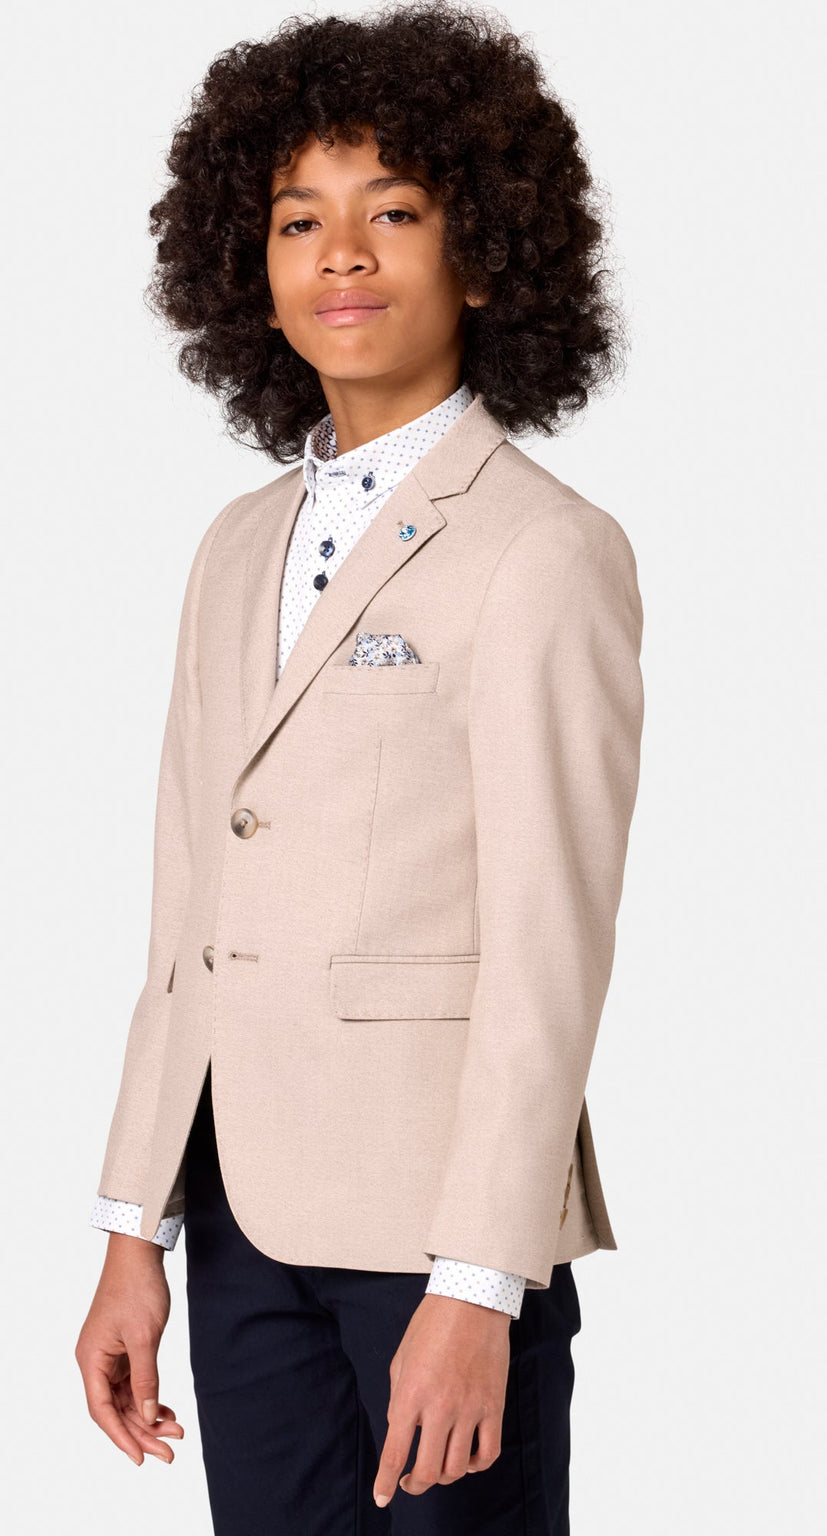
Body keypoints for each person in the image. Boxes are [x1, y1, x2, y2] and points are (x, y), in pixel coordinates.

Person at [74, 5, 644, 1531]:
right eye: (297, 220)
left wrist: (482, 1282)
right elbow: (189, 911)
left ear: (484, 253)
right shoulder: (233, 546)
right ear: (245, 269)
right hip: (240, 1217)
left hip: (435, 1240)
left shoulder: (544, 551)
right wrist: (133, 1223)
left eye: (392, 211)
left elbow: (549, 949)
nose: (340, 253)